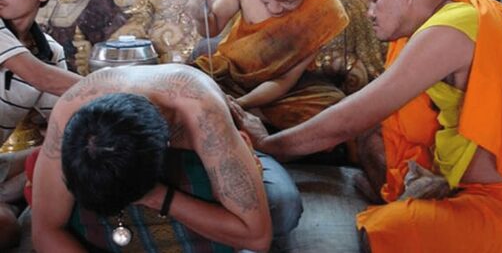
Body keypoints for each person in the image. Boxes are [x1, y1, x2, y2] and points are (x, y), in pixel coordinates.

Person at [229, 0, 502, 251]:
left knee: (383, 233)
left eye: (375, 0)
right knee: (375, 137)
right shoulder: (452, 11)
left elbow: (350, 118)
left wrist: (269, 144)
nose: (369, 11)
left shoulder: (450, 30)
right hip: (462, 182)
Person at [30, 64, 302, 252]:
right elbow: (46, 231)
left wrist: (157, 197)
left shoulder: (200, 111)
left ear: (166, 146)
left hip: (209, 158)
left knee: (281, 204)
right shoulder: (68, 115)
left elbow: (256, 236)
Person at [187, 0, 349, 131]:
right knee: (187, 86)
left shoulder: (323, 6)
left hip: (282, 91)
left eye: (288, 2)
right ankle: (257, 121)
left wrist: (241, 103)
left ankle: (253, 118)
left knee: (333, 106)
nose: (274, 8)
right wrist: (200, 17)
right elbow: (211, 30)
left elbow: (285, 79)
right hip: (229, 75)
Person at [0, 0, 81, 249]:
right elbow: (40, 77)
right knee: (5, 226)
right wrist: (131, 87)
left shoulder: (50, 52)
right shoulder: (35, 65)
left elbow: (68, 112)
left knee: (67, 150)